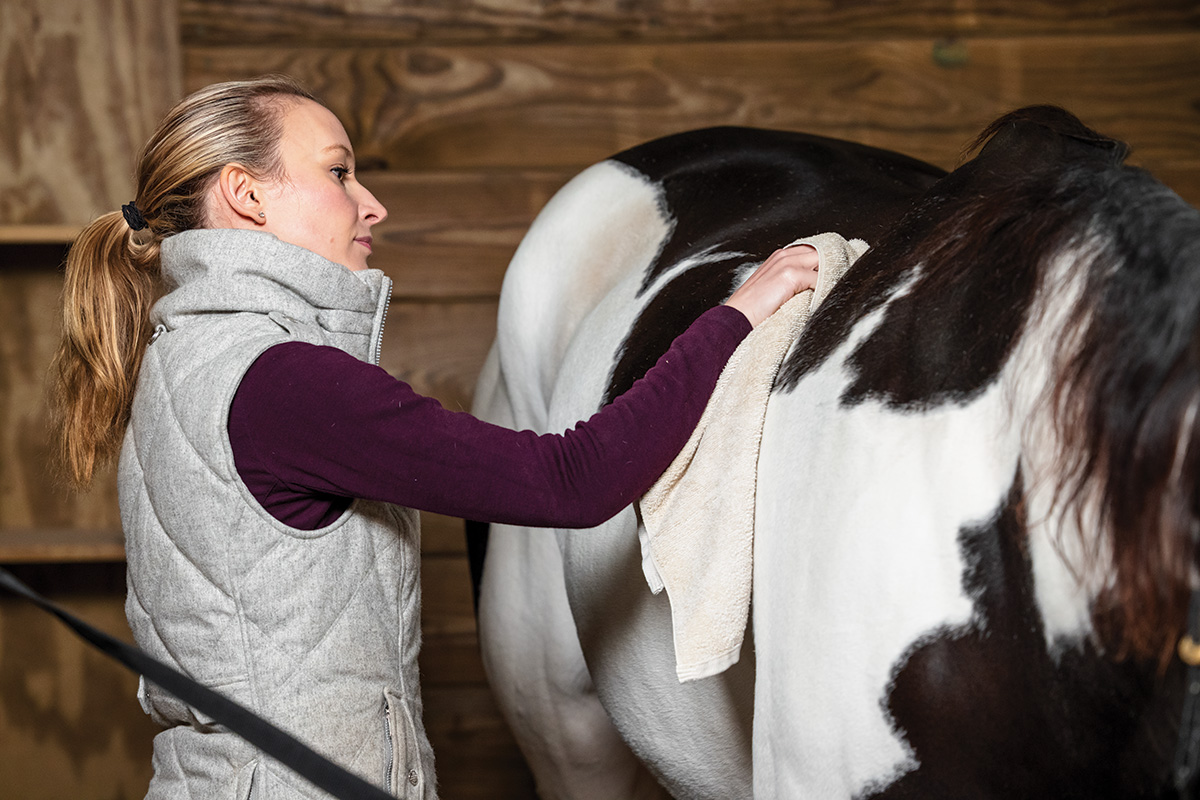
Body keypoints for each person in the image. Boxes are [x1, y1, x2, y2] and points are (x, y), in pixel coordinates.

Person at [49, 75, 819, 799]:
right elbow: (571, 481)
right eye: (339, 172)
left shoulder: (181, 359)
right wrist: (735, 317)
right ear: (246, 195)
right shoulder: (286, 381)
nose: (372, 204)